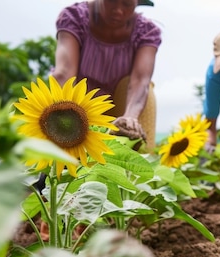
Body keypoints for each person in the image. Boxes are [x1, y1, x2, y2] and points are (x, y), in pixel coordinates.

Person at [52, 0, 162, 150]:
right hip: (78, 106)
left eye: (127, 4)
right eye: (111, 1)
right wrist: (65, 115)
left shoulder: (146, 31)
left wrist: (130, 118)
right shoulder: (75, 17)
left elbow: (140, 80)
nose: (117, 10)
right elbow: (65, 72)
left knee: (146, 94)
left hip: (121, 108)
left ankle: (140, 158)